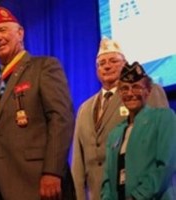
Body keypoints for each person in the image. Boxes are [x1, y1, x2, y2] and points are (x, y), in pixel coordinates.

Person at [0, 3, 75, 200]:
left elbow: (61, 119)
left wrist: (52, 172)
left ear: (20, 33)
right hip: (2, 189)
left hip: (41, 184)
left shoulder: (44, 67)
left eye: (2, 30)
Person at [71, 38, 169, 200]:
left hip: (139, 193)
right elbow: (78, 162)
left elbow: (162, 147)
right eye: (101, 63)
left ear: (125, 64)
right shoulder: (84, 108)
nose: (107, 66)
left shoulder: (147, 93)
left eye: (113, 61)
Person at [100, 62, 176, 200]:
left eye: (136, 87)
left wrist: (138, 197)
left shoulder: (164, 118)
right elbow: (107, 179)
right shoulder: (115, 133)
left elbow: (165, 166)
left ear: (148, 90)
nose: (130, 93)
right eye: (124, 89)